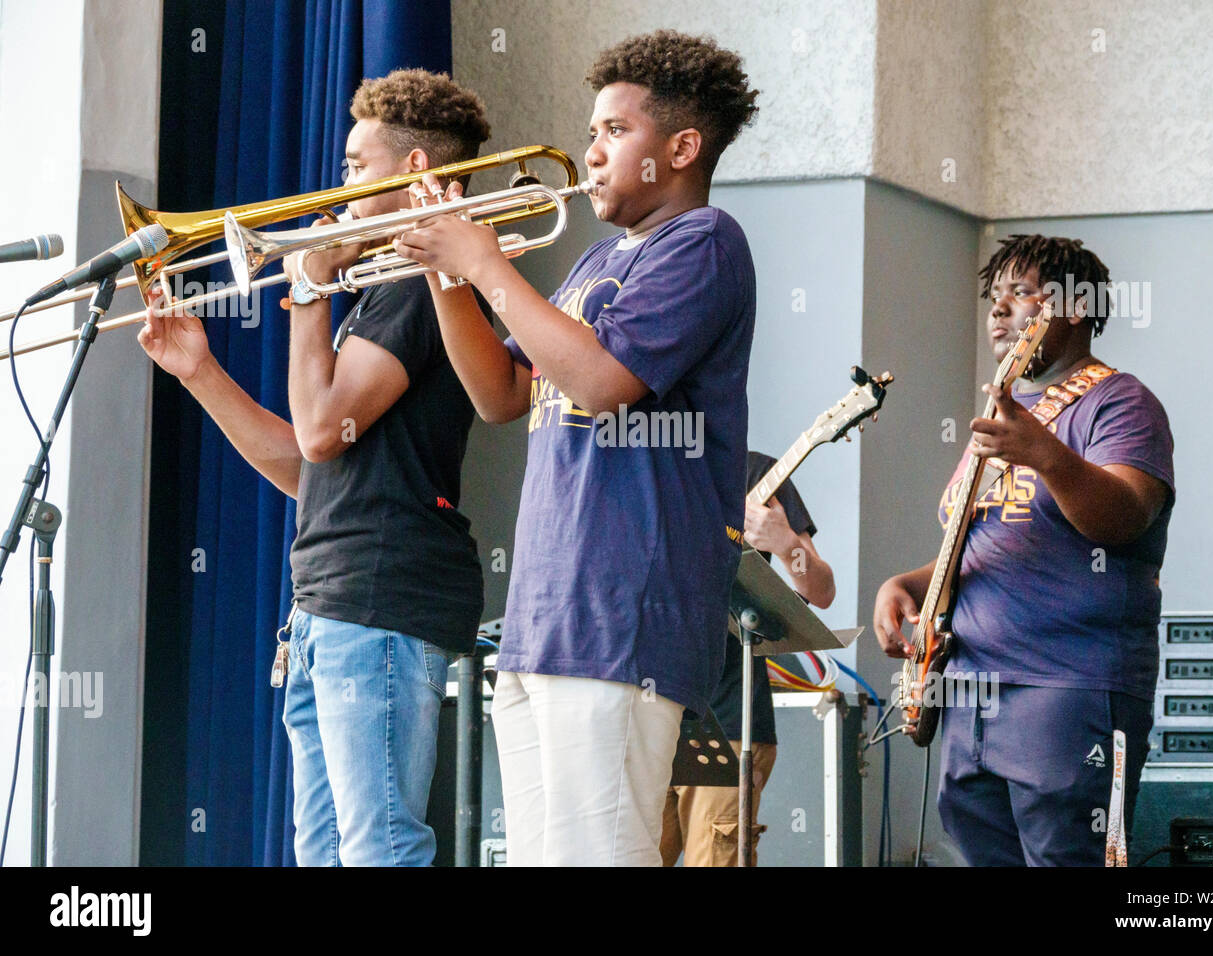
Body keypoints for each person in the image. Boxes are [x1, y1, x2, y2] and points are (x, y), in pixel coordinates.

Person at [395, 30, 760, 866]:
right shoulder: (598, 259)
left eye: (612, 131)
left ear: (680, 147)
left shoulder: (705, 242)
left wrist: (486, 264)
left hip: (620, 614)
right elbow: (500, 394)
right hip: (542, 618)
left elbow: (601, 384)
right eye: (592, 132)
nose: (590, 152)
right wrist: (445, 270)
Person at [138, 69, 491, 866]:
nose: (338, 186)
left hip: (379, 598)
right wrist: (199, 371)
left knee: (380, 849)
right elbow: (311, 470)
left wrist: (307, 292)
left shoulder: (416, 286)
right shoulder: (380, 289)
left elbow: (323, 429)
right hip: (330, 604)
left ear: (413, 173)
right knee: (325, 852)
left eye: (354, 167)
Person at [872, 234, 1175, 866]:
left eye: (1021, 293)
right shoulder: (1005, 413)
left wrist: (1045, 454)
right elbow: (986, 540)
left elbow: (1123, 518)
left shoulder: (1119, 403)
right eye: (993, 296)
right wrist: (910, 581)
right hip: (968, 688)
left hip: (1069, 690)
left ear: (1073, 307)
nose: (999, 309)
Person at [660, 450, 835, 867]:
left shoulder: (756, 473)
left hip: (725, 720)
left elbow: (822, 591)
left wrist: (786, 544)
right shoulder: (644, 462)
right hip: (645, 709)